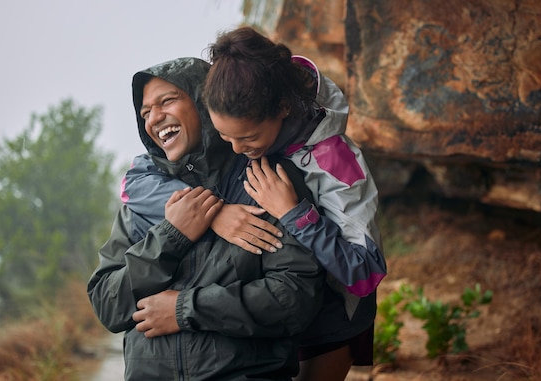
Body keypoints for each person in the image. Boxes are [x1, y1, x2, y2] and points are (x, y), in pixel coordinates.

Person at [123, 27, 387, 381]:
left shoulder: (333, 161)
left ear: (282, 108)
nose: (234, 149)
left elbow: (364, 273)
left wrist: (295, 214)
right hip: (269, 320)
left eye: (246, 138)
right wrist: (214, 212)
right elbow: (133, 182)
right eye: (225, 136)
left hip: (331, 315)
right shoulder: (236, 123)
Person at [87, 57, 325, 381]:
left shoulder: (267, 182)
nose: (154, 118)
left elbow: (294, 297)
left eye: (167, 101)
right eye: (145, 113)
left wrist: (186, 309)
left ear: (204, 102)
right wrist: (171, 236)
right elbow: (108, 304)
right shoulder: (141, 205)